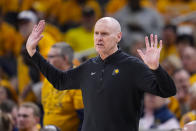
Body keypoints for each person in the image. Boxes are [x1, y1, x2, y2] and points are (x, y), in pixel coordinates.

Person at [26, 17, 176, 131]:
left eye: (104, 34)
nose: (98, 38)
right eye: (96, 33)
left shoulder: (133, 66)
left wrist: (155, 68)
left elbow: (168, 91)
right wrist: (34, 53)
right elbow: (60, 81)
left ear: (118, 37)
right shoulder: (88, 66)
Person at [42, 42, 84, 131]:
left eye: (51, 57)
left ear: (65, 58)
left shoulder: (78, 80)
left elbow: (84, 117)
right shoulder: (48, 78)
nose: (47, 60)